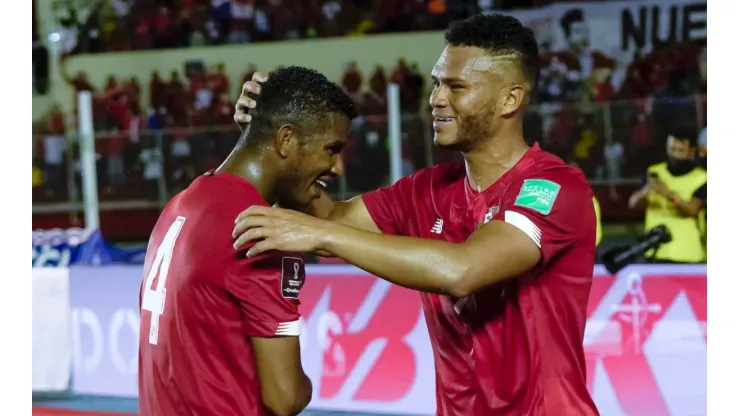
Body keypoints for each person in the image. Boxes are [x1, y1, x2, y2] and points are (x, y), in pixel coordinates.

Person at [233, 14, 599, 416]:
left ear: (510, 99)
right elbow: (330, 216)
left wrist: (321, 235)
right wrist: (268, 137)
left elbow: (463, 270)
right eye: (437, 83)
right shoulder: (428, 189)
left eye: (457, 87)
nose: (437, 99)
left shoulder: (553, 186)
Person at [138, 66, 357, 416]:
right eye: (332, 149)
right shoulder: (263, 234)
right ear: (285, 140)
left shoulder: (181, 205)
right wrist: (306, 386)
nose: (338, 167)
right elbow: (285, 397)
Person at [628, 128, 707, 263]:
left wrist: (668, 194)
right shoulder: (654, 172)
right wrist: (645, 191)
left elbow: (692, 210)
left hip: (687, 253)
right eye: (672, 149)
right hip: (655, 252)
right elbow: (633, 205)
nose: (675, 155)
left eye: (680, 151)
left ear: (691, 151)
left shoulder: (702, 178)